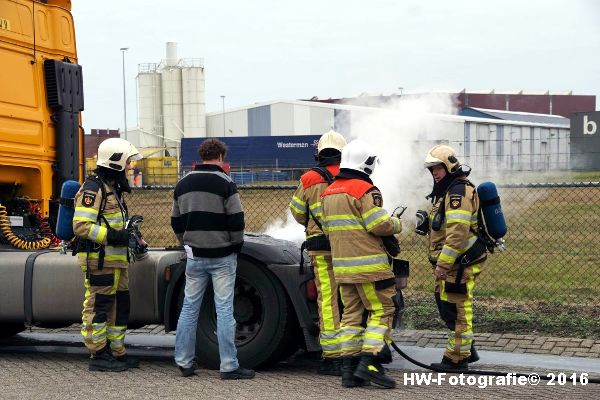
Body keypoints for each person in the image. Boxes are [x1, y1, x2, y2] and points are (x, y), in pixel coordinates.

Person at [320, 139, 402, 389]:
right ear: (367, 163)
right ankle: (370, 363)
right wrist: (396, 223)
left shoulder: (328, 192)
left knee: (351, 317)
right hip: (370, 269)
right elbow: (378, 224)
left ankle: (349, 370)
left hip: (342, 268)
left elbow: (326, 228)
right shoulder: (366, 191)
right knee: (382, 311)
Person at [171, 139, 254, 380]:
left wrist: (185, 242)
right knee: (225, 309)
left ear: (201, 157)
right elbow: (237, 220)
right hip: (222, 256)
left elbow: (175, 221)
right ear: (220, 157)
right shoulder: (226, 183)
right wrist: (235, 245)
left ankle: (184, 362)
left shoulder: (182, 183)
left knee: (189, 308)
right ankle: (229, 365)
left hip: (194, 256)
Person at [73, 137, 145, 372]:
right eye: (128, 162)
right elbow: (81, 225)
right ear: (116, 162)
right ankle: (98, 354)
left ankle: (116, 352)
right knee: (99, 306)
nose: (130, 166)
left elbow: (116, 223)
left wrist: (132, 236)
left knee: (120, 306)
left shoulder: (112, 188)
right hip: (100, 260)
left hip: (117, 261)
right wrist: (114, 237)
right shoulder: (93, 188)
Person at [417, 144, 486, 371]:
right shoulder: (447, 191)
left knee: (457, 309)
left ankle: (457, 359)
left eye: (438, 168)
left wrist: (444, 264)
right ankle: (467, 349)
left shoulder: (457, 192)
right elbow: (445, 224)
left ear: (449, 166)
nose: (434, 173)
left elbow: (457, 232)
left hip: (458, 263)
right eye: (431, 169)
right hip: (452, 263)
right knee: (448, 307)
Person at [289, 130, 347, 375]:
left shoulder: (309, 178)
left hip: (320, 247)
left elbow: (297, 211)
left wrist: (310, 225)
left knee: (328, 299)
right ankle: (356, 349)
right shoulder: (351, 176)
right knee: (352, 297)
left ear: (319, 153)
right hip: (348, 247)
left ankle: (332, 354)